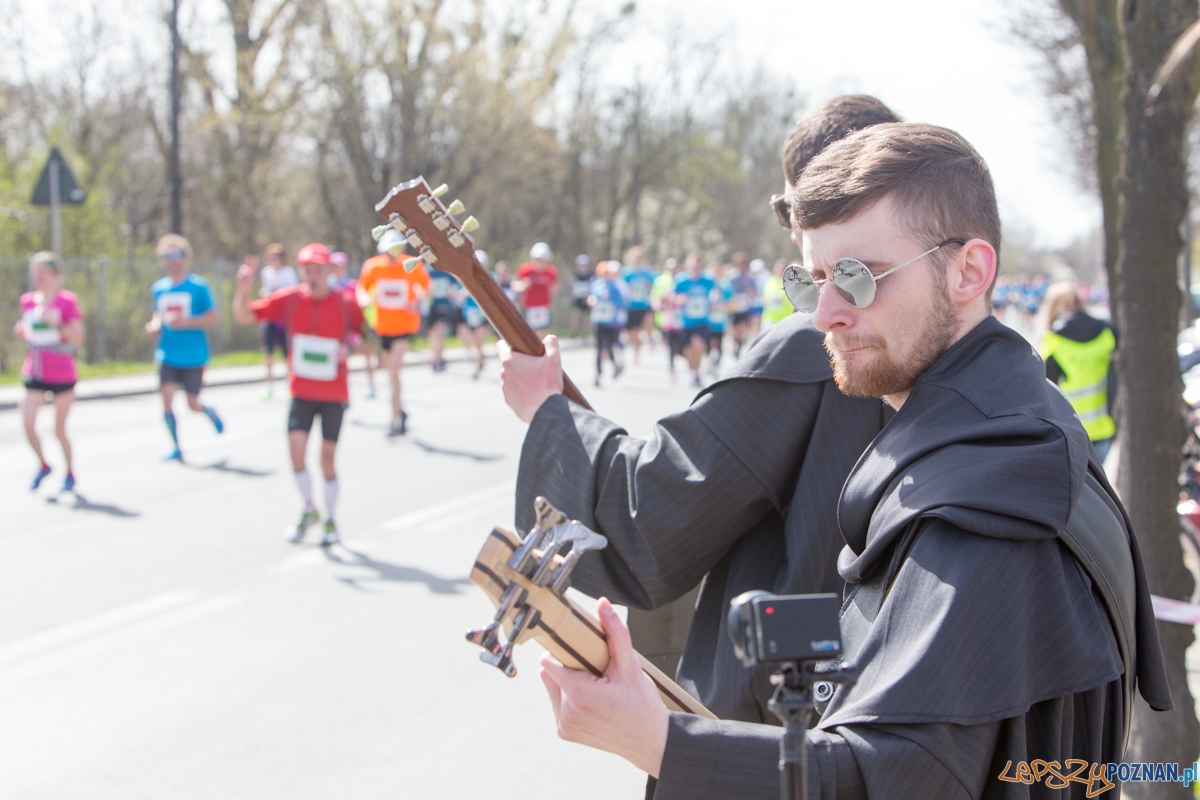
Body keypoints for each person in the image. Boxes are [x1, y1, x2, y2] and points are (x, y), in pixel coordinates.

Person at [519, 122, 1172, 799]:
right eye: (814, 280)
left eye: (859, 277)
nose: (826, 313)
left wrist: (652, 737)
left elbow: (893, 778)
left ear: (970, 271)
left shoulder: (983, 498)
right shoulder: (1019, 421)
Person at [498, 94, 900, 735]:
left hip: (787, 722)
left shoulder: (813, 343)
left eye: (789, 211)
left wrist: (547, 409)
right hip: (896, 699)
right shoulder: (961, 347)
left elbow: (649, 519)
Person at [233, 243, 365, 546]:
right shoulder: (290, 299)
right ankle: (309, 508)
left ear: (329, 271)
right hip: (301, 392)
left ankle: (331, 520)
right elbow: (244, 316)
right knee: (295, 455)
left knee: (326, 460)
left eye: (318, 270)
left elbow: (367, 337)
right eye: (307, 270)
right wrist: (243, 288)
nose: (313, 275)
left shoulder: (346, 302)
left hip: (334, 393)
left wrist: (351, 347)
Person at [146, 233, 224, 462]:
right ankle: (176, 446)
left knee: (192, 403)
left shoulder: (199, 286)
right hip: (167, 354)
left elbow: (214, 317)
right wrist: (154, 326)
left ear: (184, 257)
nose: (171, 260)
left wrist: (187, 322)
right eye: (167, 256)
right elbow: (158, 315)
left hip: (194, 355)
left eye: (176, 254)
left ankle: (207, 410)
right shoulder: (159, 288)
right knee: (166, 399)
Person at [15, 252, 84, 492]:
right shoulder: (28, 301)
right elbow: (31, 331)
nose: (39, 276)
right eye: (36, 271)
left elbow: (77, 337)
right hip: (34, 370)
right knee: (27, 423)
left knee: (58, 429)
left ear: (56, 274)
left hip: (62, 374)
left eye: (44, 271)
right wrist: (22, 331)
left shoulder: (67, 301)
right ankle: (44, 464)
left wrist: (57, 324)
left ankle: (69, 472)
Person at [357, 230, 430, 436]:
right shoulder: (373, 266)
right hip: (382, 327)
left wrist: (417, 301)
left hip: (404, 327)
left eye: (395, 250)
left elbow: (425, 289)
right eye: (388, 251)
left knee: (394, 371)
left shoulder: (412, 264)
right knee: (389, 372)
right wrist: (363, 299)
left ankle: (394, 419)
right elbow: (361, 288)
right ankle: (400, 411)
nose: (391, 256)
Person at [1040, 281, 1118, 462]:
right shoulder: (1106, 334)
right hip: (1103, 427)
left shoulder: (1053, 341)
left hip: (1069, 432)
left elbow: (1045, 391)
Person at [257, 243, 298, 399]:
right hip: (270, 317)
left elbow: (294, 293)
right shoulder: (266, 272)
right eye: (270, 257)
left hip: (284, 318)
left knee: (287, 352)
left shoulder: (288, 273)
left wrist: (278, 293)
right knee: (268, 352)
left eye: (276, 257)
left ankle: (290, 384)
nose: (273, 260)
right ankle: (268, 384)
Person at [671, 254, 715, 387]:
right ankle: (693, 371)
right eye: (692, 264)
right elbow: (672, 296)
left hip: (702, 320)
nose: (695, 266)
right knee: (688, 350)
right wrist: (679, 299)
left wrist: (714, 299)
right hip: (685, 321)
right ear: (687, 264)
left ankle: (696, 373)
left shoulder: (708, 279)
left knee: (698, 345)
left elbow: (716, 292)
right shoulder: (681, 280)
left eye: (697, 264)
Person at [589, 260, 628, 386]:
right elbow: (591, 298)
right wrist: (592, 301)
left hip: (611, 322)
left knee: (610, 346)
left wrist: (610, 299)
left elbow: (621, 303)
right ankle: (598, 374)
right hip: (599, 320)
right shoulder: (596, 285)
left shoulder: (614, 286)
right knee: (599, 348)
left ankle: (615, 365)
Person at [622, 247, 657, 365]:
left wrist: (648, 286)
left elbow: (655, 287)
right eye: (635, 258)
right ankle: (636, 353)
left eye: (639, 258)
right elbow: (621, 289)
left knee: (648, 320)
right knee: (633, 333)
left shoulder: (647, 272)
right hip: (631, 306)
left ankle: (649, 339)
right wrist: (628, 288)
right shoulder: (626, 273)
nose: (637, 260)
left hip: (644, 304)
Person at [425, 262, 462, 373]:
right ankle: (435, 356)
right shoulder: (427, 270)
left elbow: (453, 284)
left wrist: (452, 291)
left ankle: (439, 358)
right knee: (433, 333)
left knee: (440, 331)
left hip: (443, 306)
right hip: (430, 307)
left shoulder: (446, 269)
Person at [460, 250, 491, 379]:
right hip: (470, 313)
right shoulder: (466, 277)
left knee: (479, 339)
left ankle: (477, 365)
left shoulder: (490, 277)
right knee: (474, 340)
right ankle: (481, 358)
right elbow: (460, 294)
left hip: (483, 312)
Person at [516, 242, 558, 337]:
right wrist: (524, 285)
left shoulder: (551, 271)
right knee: (530, 331)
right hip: (529, 306)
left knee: (541, 331)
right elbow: (516, 285)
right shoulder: (526, 270)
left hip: (544, 306)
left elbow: (555, 289)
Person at [570, 254, 595, 337]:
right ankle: (574, 332)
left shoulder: (590, 276)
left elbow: (592, 286)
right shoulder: (576, 275)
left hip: (587, 298)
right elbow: (573, 286)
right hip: (577, 298)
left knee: (586, 316)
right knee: (575, 314)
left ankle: (585, 333)